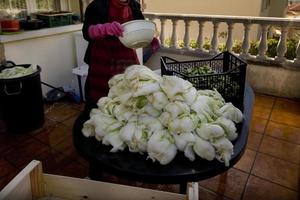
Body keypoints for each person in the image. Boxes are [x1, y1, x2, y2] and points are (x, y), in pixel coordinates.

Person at [82, 0, 159, 112]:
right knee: (100, 98)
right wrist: (104, 29)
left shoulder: (134, 5)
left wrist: (149, 38)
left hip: (126, 57)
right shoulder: (96, 6)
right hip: (102, 59)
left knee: (128, 92)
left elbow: (140, 27)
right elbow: (86, 33)